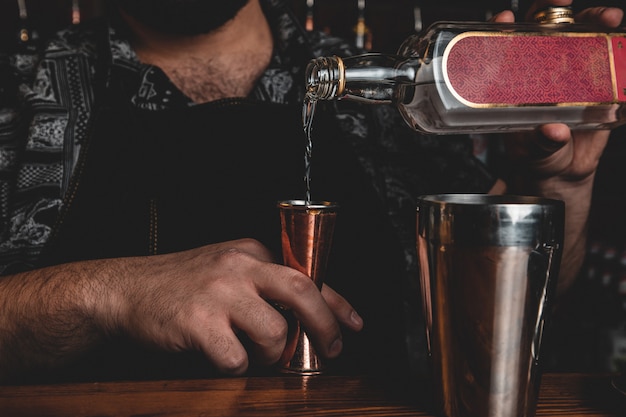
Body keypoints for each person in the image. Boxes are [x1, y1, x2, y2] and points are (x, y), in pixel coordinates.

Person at [0, 0, 622, 384]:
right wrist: (109, 293)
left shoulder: (384, 88)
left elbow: (504, 306)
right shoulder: (20, 93)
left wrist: (556, 185)